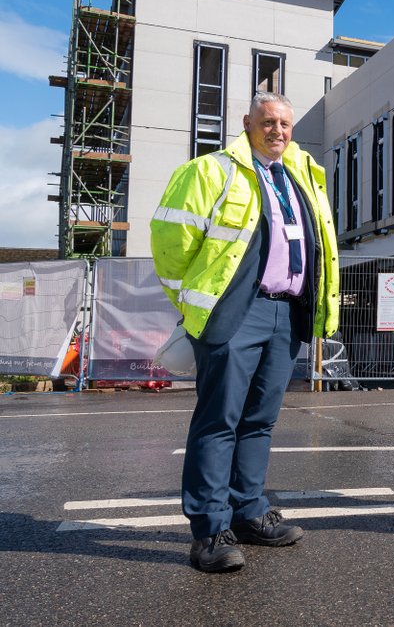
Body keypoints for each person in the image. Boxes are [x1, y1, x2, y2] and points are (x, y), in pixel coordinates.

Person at [150, 92, 339, 573]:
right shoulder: (210, 171)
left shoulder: (299, 177)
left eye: (285, 124)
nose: (278, 131)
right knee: (219, 420)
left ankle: (249, 511)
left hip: (287, 312)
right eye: (268, 122)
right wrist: (196, 305)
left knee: (260, 420)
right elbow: (171, 246)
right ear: (247, 123)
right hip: (237, 312)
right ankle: (210, 530)